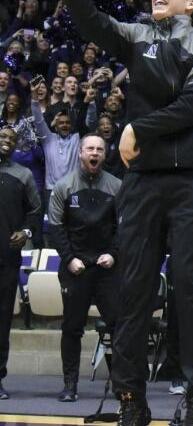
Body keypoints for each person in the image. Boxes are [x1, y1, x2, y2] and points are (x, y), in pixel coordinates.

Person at [55, 0, 193, 426]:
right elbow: (89, 20)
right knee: (131, 294)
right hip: (145, 184)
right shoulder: (137, 36)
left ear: (191, 3)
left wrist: (137, 126)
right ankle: (131, 400)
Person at [46, 134, 121, 402]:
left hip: (107, 268)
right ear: (80, 152)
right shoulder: (64, 186)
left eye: (100, 149)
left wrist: (113, 254)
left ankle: (122, 385)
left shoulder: (116, 186)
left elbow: (123, 229)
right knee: (72, 327)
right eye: (90, 148)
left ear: (105, 154)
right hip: (75, 267)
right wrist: (69, 259)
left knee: (118, 324)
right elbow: (55, 228)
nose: (95, 153)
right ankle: (70, 385)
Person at [0, 126, 40, 400]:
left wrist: (25, 232)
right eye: (3, 136)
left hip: (7, 259)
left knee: (2, 321)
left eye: (12, 139)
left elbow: (36, 211)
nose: (7, 141)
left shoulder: (23, 174)